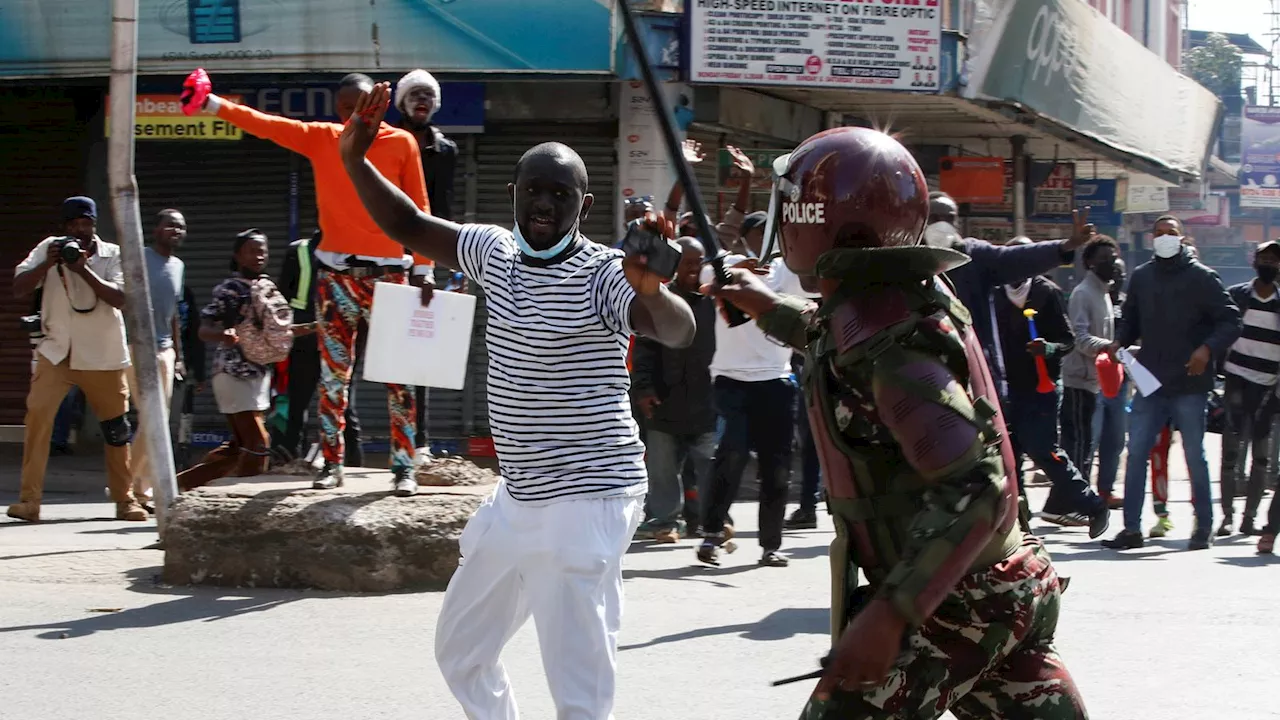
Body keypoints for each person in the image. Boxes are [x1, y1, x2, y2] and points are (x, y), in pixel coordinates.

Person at [339, 82, 696, 719]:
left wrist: (654, 290)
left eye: (561, 195)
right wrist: (353, 160)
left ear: (583, 206)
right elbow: (407, 224)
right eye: (534, 189)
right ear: (514, 194)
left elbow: (677, 329)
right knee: (461, 651)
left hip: (589, 495)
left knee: (577, 691)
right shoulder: (493, 251)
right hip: (521, 495)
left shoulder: (604, 274)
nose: (544, 204)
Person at [705, 127, 1085, 718]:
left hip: (955, 606)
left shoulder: (894, 349)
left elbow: (974, 485)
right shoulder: (893, 298)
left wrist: (891, 615)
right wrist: (762, 302)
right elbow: (830, 333)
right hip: (1002, 584)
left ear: (818, 222)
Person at [191, 70, 430, 495]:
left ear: (374, 106)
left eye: (354, 106)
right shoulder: (324, 138)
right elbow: (266, 125)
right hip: (336, 278)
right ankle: (332, 464)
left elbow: (419, 206)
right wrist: (211, 103)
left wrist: (425, 269)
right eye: (340, 108)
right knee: (333, 376)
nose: (346, 115)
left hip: (390, 277)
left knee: (400, 378)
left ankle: (403, 466)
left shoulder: (401, 143)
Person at [1102, 216, 1241, 551]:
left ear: (1183, 238)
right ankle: (1132, 529)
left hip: (1190, 382)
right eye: (1159, 233)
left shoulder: (1203, 277)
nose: (1164, 238)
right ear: (1152, 238)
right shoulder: (1142, 276)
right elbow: (1130, 319)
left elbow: (1230, 319)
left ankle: (1202, 527)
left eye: (1171, 233)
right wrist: (1119, 342)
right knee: (1135, 453)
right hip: (1151, 380)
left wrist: (1207, 349)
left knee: (1195, 454)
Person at [7, 197, 148, 523]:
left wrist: (82, 269)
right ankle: (29, 502)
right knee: (37, 422)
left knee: (116, 430)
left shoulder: (111, 254)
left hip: (104, 355)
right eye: (73, 225)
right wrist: (47, 265)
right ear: (64, 227)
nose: (79, 231)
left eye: (86, 224)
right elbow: (18, 287)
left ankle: (125, 501)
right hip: (56, 352)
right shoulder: (48, 249)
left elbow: (121, 298)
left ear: (94, 226)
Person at [696, 210, 802, 568]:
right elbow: (708, 274)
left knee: (777, 468)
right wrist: (741, 268)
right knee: (731, 454)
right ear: (743, 238)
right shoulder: (723, 266)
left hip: (777, 380)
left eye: (767, 235)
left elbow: (812, 288)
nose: (761, 242)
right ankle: (711, 533)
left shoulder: (787, 272)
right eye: (754, 235)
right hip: (731, 380)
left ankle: (771, 545)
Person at [177, 230, 314, 491]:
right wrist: (223, 334)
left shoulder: (266, 288)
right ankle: (244, 494)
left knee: (240, 444)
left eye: (262, 250)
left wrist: (312, 327)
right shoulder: (230, 289)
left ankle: (182, 486)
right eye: (252, 250)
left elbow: (275, 331)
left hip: (259, 373)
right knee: (258, 442)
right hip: (233, 372)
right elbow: (203, 329)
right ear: (238, 255)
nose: (259, 256)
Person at [925, 192, 1096, 394]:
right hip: (923, 372)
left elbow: (1016, 258)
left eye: (948, 218)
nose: (941, 225)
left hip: (975, 375)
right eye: (935, 218)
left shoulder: (973, 256)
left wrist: (1067, 245)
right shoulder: (907, 259)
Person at [993, 238, 1108, 535]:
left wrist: (1049, 349)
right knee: (1008, 458)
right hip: (1003, 389)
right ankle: (1018, 523)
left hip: (1039, 389)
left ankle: (1092, 505)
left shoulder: (1047, 293)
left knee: (1044, 450)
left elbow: (1069, 342)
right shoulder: (993, 294)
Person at [631, 236, 717, 542]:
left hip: (705, 402)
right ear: (675, 266)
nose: (693, 268)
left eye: (698, 262)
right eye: (687, 263)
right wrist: (642, 389)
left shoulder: (714, 303)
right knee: (663, 468)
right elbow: (644, 349)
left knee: (710, 462)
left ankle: (713, 521)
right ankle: (664, 521)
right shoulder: (659, 301)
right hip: (664, 401)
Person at [395, 69, 459, 454]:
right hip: (381, 252)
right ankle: (343, 443)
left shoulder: (445, 149)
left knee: (419, 346)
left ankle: (418, 441)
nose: (422, 100)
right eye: (414, 94)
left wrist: (448, 262)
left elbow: (443, 207)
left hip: (424, 256)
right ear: (401, 101)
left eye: (428, 95)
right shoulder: (384, 141)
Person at [274, 230, 366, 466]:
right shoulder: (299, 251)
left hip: (341, 340)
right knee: (298, 404)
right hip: (306, 339)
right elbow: (283, 298)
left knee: (344, 406)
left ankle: (351, 466)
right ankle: (289, 463)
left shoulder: (353, 251)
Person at [124, 209, 187, 511]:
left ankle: (140, 489)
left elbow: (174, 312)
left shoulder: (178, 266)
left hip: (165, 351)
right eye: (170, 225)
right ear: (156, 229)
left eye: (181, 227)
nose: (176, 230)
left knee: (158, 421)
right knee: (152, 419)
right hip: (137, 348)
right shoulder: (139, 257)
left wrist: (178, 355)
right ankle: (128, 485)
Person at [1217, 241, 1280, 536]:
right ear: (1254, 261)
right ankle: (1227, 516)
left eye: (1274, 259)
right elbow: (1221, 331)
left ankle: (1250, 518)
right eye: (1264, 257)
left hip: (1268, 388)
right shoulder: (1238, 295)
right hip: (1236, 381)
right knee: (1231, 451)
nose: (1269, 263)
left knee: (1262, 457)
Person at [1061, 235, 1123, 509]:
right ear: (1089, 263)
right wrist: (1111, 348)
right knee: (1083, 444)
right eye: (1104, 260)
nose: (1111, 264)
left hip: (1105, 381)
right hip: (1082, 381)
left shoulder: (1104, 292)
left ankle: (1103, 492)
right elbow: (1080, 338)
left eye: (1113, 258)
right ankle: (1077, 499)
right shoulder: (1083, 293)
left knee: (1113, 441)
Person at [1089, 257, 1128, 504]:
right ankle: (1082, 492)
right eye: (1113, 271)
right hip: (1095, 377)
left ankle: (1106, 489)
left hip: (1120, 380)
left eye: (1120, 272)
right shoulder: (1091, 298)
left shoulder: (1129, 304)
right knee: (1091, 436)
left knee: (1115, 440)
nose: (1116, 276)